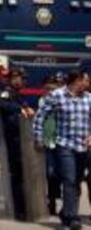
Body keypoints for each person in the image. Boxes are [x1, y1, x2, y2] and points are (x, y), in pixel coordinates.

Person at [33, 70, 91, 230]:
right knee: (69, 180)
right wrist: (38, 138)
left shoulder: (88, 98)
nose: (87, 84)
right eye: (85, 80)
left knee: (77, 182)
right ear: (77, 80)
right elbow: (40, 116)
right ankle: (72, 217)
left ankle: (66, 212)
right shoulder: (56, 95)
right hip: (64, 144)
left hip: (83, 147)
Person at [0, 66, 35, 220]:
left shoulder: (18, 95)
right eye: (21, 78)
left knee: (22, 175)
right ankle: (18, 209)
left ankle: (22, 207)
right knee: (17, 176)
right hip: (12, 139)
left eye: (25, 79)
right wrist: (21, 110)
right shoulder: (7, 93)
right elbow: (2, 105)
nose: (24, 81)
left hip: (21, 139)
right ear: (13, 78)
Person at [39, 73, 64, 216]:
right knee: (51, 173)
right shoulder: (43, 101)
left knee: (64, 174)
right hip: (49, 141)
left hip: (64, 141)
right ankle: (52, 201)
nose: (50, 90)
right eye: (47, 88)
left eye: (53, 87)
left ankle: (64, 204)